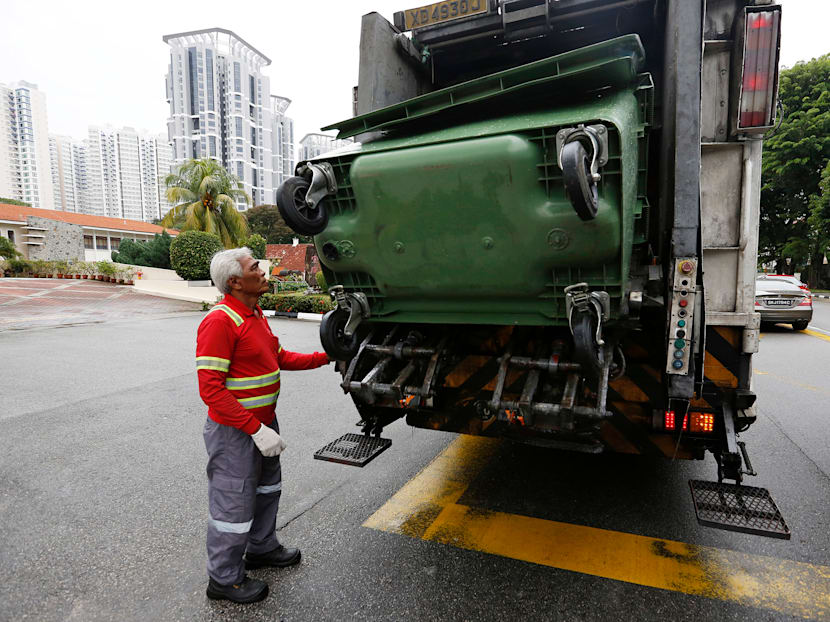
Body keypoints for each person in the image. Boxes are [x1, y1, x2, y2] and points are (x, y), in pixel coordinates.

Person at [196, 247, 330, 603]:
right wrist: (254, 429)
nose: (264, 271)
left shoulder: (255, 314)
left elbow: (278, 357)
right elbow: (210, 390)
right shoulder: (220, 321)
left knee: (267, 489)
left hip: (264, 424)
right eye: (256, 267)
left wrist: (326, 357)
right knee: (233, 504)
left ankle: (261, 547)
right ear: (235, 281)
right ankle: (223, 579)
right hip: (237, 431)